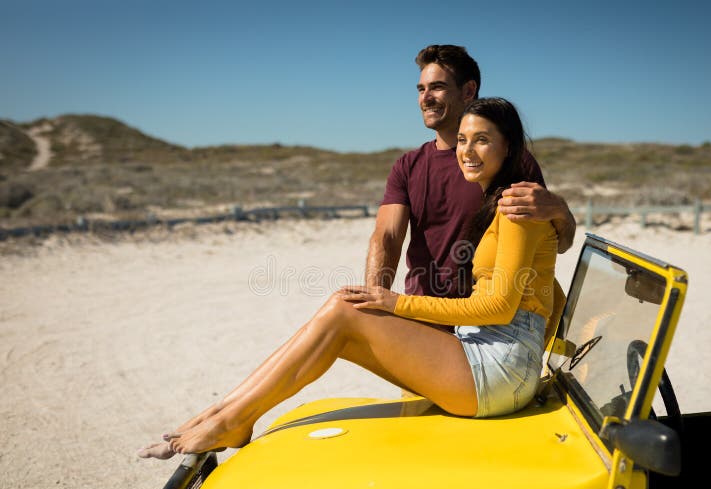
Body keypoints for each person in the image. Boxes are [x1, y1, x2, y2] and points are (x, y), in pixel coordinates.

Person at [138, 97, 558, 459]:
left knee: (346, 309)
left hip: (498, 373)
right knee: (344, 312)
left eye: (482, 140)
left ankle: (230, 419)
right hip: (492, 360)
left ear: (509, 146)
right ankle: (222, 415)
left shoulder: (517, 205)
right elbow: (388, 233)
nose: (467, 150)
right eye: (463, 140)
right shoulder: (499, 200)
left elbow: (499, 307)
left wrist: (393, 303)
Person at [367, 45, 574, 322]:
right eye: (421, 89)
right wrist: (374, 299)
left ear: (468, 91)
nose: (426, 98)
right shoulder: (408, 166)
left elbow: (557, 243)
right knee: (347, 314)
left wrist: (560, 210)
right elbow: (387, 237)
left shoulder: (513, 163)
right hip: (420, 315)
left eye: (437, 87)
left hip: (483, 325)